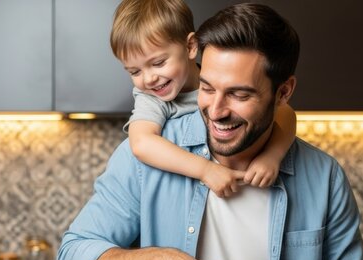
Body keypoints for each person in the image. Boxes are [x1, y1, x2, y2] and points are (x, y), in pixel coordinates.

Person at [57, 2, 363, 260]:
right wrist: (160, 259)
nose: (217, 111)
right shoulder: (145, 158)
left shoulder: (322, 175)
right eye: (207, 88)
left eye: (240, 94)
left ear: (283, 93)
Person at [110, 0, 297, 198]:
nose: (148, 79)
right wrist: (206, 170)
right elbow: (141, 143)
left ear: (191, 46)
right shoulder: (150, 98)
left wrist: (272, 157)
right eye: (135, 71)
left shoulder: (219, 74)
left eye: (158, 63)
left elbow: (285, 112)